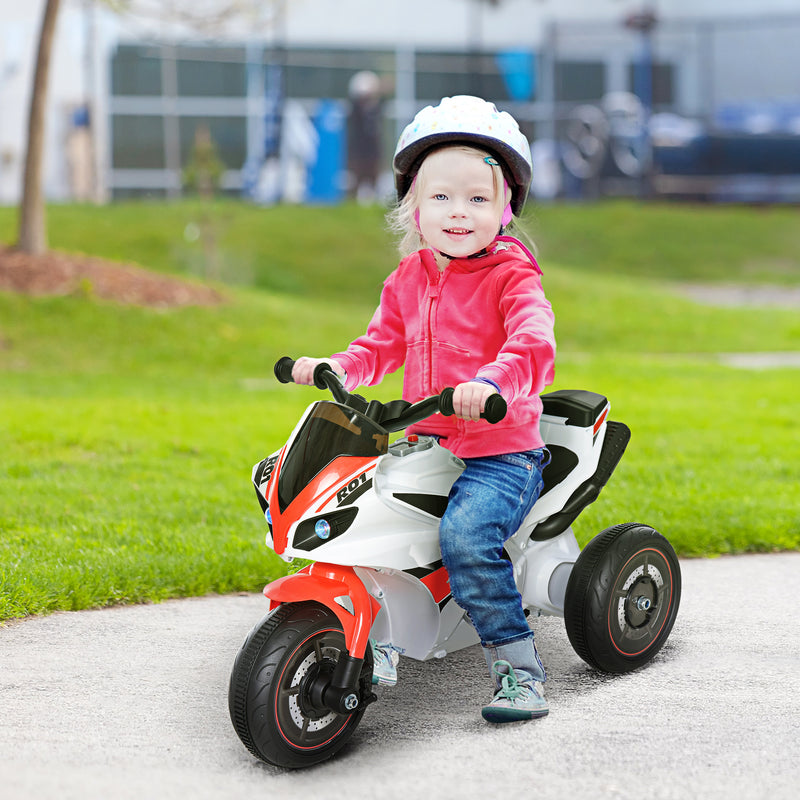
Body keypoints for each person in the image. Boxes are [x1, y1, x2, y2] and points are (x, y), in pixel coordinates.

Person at [291, 95, 556, 723]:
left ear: (505, 208)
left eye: (476, 198)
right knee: (362, 509)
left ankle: (518, 669)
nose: (458, 212)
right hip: (428, 437)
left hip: (501, 450)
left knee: (465, 536)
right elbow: (378, 344)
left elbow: (533, 341)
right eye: (441, 197)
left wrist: (493, 383)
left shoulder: (512, 277)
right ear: (413, 205)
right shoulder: (409, 277)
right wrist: (337, 367)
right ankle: (378, 631)